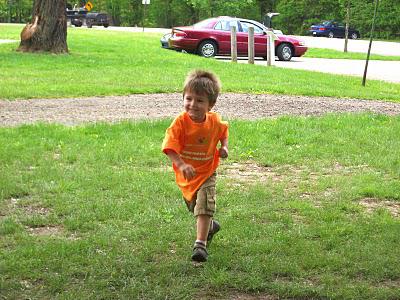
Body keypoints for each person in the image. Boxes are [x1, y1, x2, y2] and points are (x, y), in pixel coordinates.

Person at [162, 69, 229, 262]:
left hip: (207, 171)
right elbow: (169, 147)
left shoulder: (214, 121)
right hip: (188, 176)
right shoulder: (180, 123)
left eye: (200, 100)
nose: (193, 104)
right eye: (189, 99)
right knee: (194, 207)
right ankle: (210, 227)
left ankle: (200, 245)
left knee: (204, 205)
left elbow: (223, 131)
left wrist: (224, 147)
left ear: (211, 105)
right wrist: (181, 165)